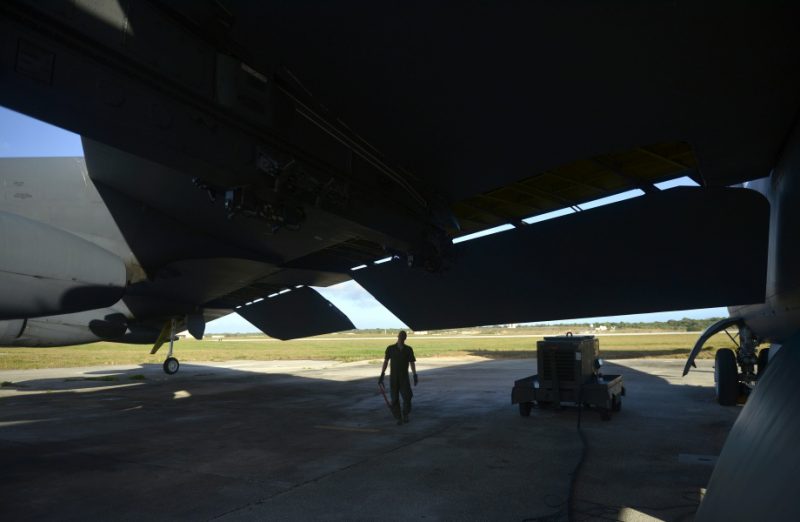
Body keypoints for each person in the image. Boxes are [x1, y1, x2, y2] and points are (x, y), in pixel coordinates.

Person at [378, 330, 418, 425]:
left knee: (407, 397)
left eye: (404, 336)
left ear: (405, 338)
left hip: (404, 378)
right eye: (401, 335)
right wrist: (382, 374)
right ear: (398, 336)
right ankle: (398, 418)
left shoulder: (408, 349)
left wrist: (415, 374)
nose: (402, 337)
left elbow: (412, 362)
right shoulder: (390, 348)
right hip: (394, 378)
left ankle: (405, 414)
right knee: (394, 399)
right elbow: (386, 361)